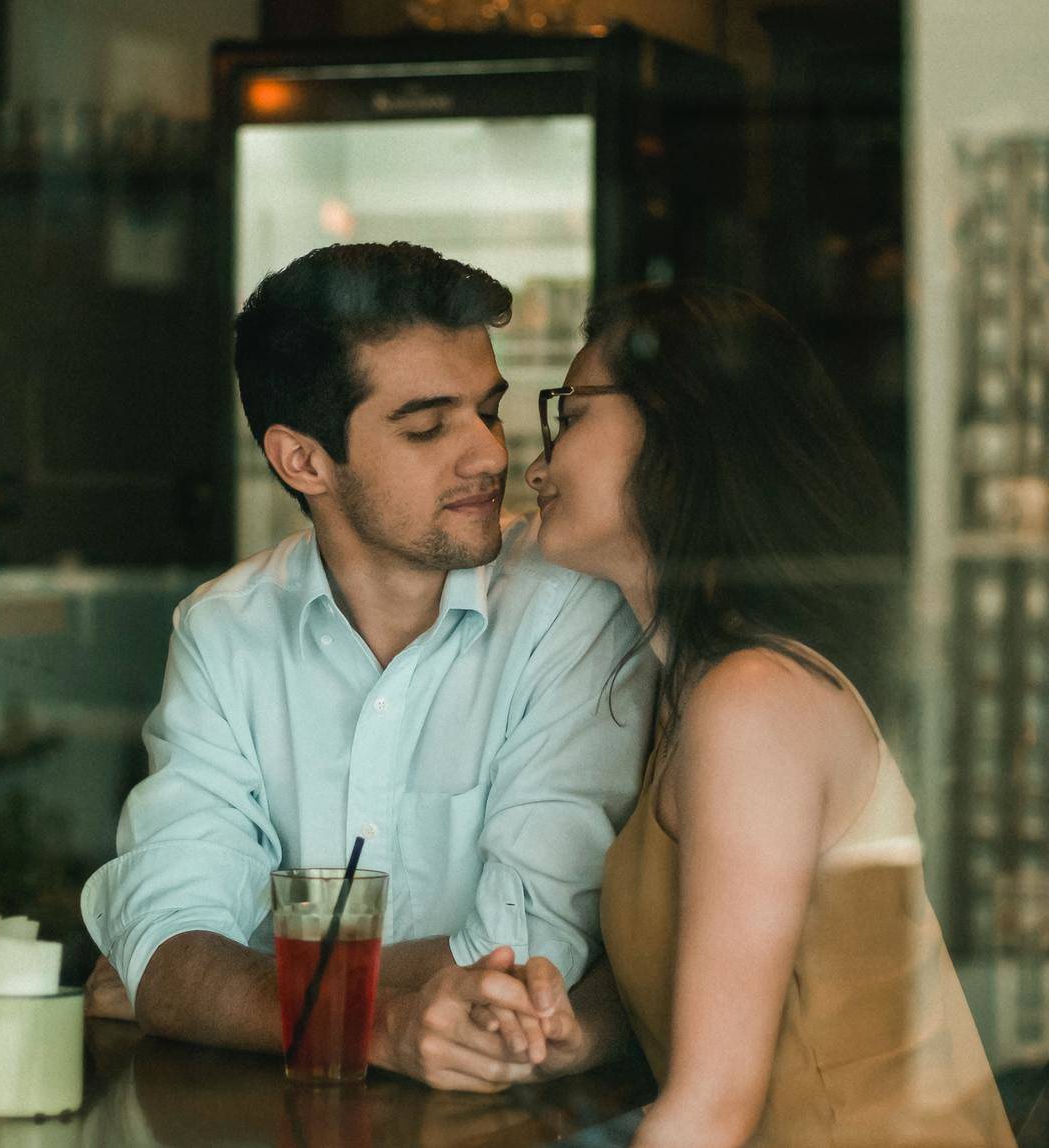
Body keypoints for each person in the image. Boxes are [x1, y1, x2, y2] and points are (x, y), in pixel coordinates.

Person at [80, 241, 655, 1091]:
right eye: (427, 427)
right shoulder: (224, 632)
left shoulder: (571, 609)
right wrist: (367, 1019)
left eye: (488, 411)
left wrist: (235, 985)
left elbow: (526, 955)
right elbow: (172, 936)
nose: (490, 456)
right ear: (303, 460)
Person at [498, 281, 1015, 1147]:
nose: (538, 464)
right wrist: (569, 1031)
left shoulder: (752, 701)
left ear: (677, 426)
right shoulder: (692, 693)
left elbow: (707, 1115)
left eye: (572, 414)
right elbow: (730, 997)